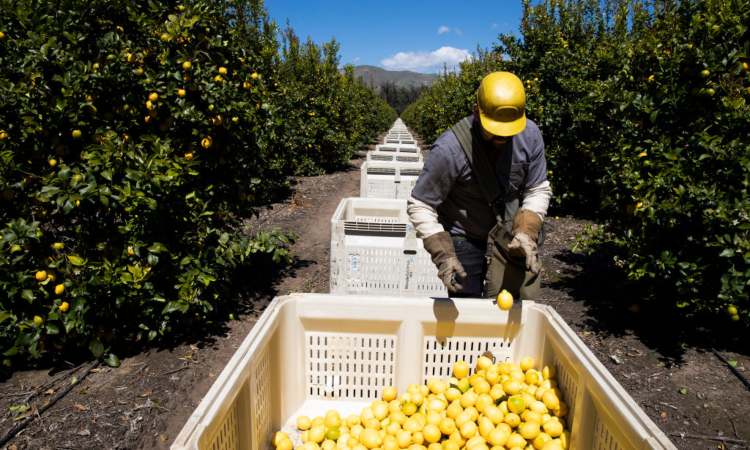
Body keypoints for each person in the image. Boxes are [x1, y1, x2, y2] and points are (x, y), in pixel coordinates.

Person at [407, 71, 552, 298]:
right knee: (468, 307)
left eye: (509, 130)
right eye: (495, 131)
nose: (502, 138)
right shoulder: (449, 149)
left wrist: (527, 231)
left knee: (516, 304)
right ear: (476, 112)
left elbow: (537, 188)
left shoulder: (530, 134)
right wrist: (443, 254)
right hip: (464, 232)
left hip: (509, 231)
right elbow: (420, 204)